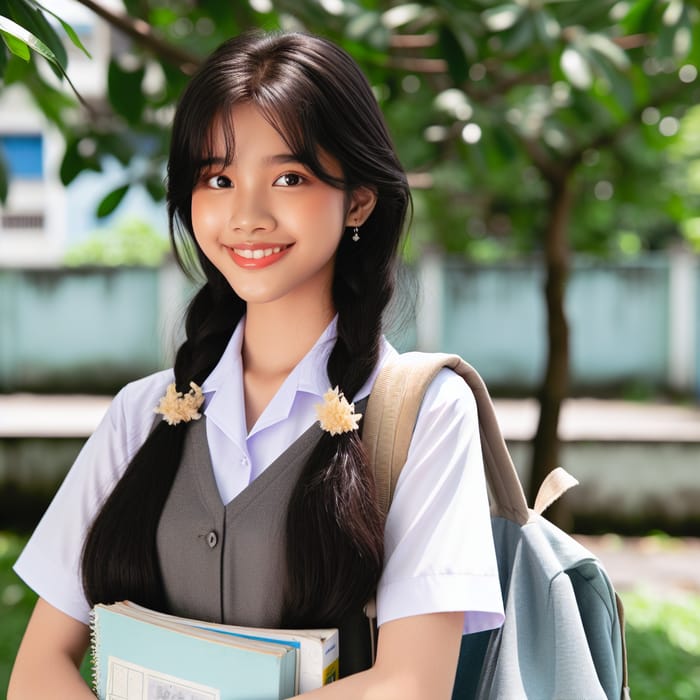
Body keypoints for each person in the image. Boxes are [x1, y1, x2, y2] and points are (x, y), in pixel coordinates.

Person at [9, 30, 504, 699]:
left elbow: (411, 684)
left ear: (358, 199)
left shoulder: (423, 413)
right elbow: (39, 669)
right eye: (218, 178)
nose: (246, 215)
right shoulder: (139, 414)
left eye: (289, 177)